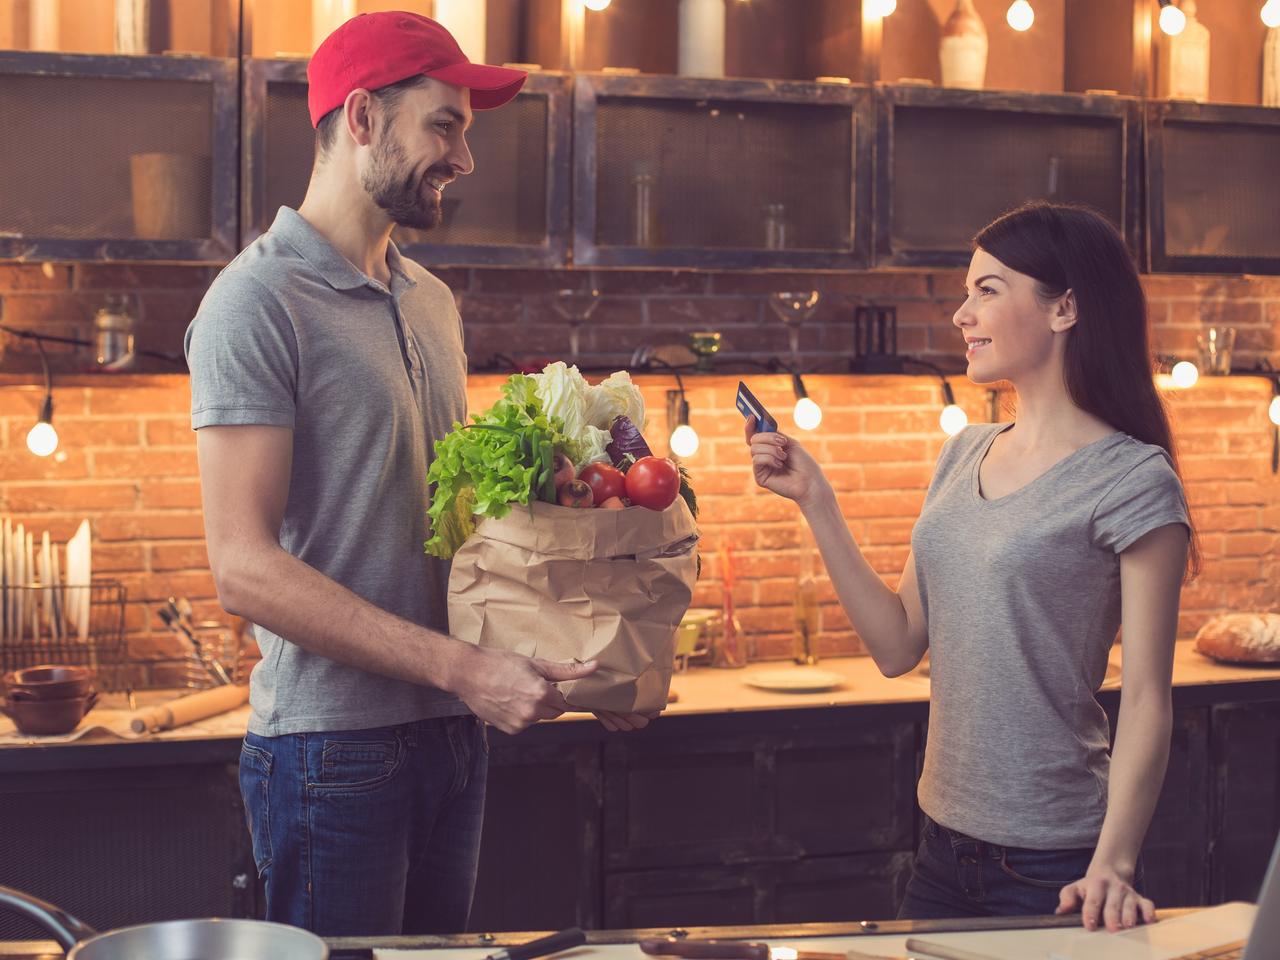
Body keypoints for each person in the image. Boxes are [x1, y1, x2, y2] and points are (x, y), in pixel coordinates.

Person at [185, 11, 647, 938]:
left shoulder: (428, 299)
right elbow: (242, 567)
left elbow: (458, 528)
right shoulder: (255, 301)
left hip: (452, 733)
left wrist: (586, 654)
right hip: (331, 753)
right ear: (362, 117)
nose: (464, 157)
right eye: (446, 124)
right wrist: (463, 669)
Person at [746, 202, 1195, 933]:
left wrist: (1112, 864)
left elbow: (1147, 698)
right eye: (967, 291)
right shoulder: (963, 453)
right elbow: (896, 647)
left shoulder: (1134, 480)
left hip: (1058, 866)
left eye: (988, 289)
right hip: (942, 850)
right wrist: (817, 502)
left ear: (1065, 308)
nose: (962, 313)